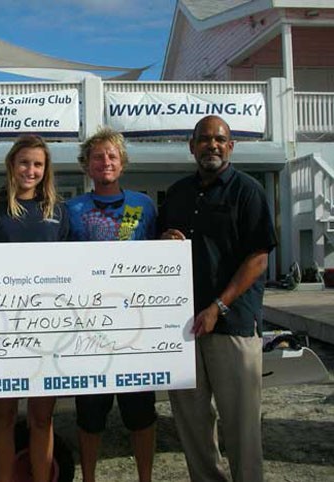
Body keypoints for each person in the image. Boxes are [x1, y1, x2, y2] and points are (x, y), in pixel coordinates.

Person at [157, 115, 277, 482]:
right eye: (204, 139)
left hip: (233, 323)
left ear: (231, 146)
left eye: (220, 139)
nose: (212, 145)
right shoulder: (176, 193)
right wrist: (164, 244)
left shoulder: (248, 190)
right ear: (192, 146)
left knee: (240, 422)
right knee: (192, 422)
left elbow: (258, 258)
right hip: (184, 327)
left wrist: (218, 306)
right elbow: (162, 251)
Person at [0, 134, 69, 482]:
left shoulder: (58, 213)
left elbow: (73, 271)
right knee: (3, 417)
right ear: (12, 166)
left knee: (42, 419)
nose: (31, 170)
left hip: (47, 332)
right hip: (1, 331)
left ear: (46, 170)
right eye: (25, 163)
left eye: (38, 164)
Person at [66, 127, 157, 482]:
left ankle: (145, 478)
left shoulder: (143, 206)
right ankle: (88, 478)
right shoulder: (71, 209)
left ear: (123, 163)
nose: (106, 162)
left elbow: (158, 261)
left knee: (141, 413)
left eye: (112, 156)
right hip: (87, 332)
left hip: (135, 328)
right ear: (86, 166)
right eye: (98, 156)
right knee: (89, 415)